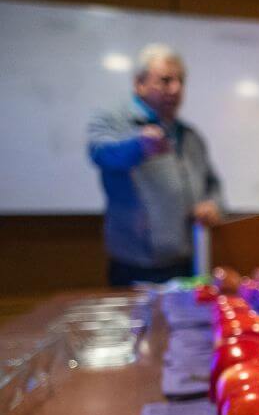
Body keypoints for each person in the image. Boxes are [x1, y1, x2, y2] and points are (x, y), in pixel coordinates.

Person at [87, 44, 223, 285]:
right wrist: (138, 146)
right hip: (137, 269)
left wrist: (212, 203)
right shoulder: (113, 121)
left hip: (188, 264)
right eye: (166, 80)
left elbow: (212, 183)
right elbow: (100, 153)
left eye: (181, 81)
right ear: (139, 83)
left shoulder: (190, 135)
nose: (176, 88)